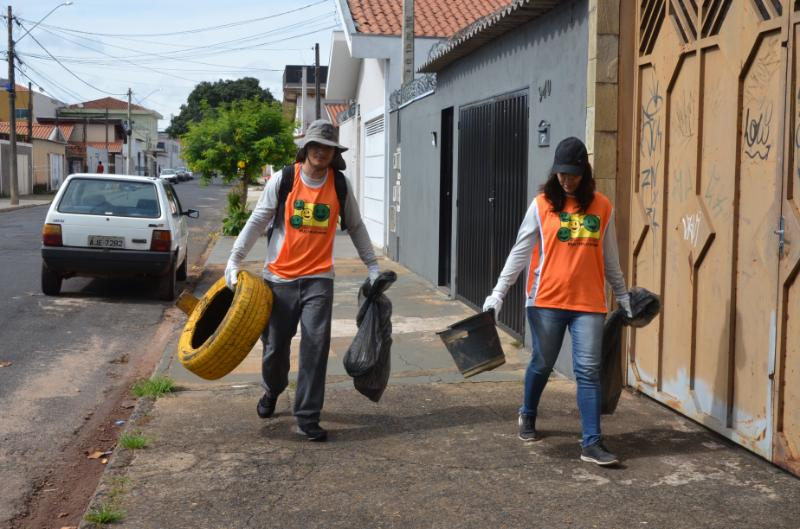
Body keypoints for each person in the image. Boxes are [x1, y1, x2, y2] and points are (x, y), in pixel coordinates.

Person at [224, 119, 379, 442]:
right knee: (275, 347)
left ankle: (308, 415)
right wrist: (234, 260)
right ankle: (272, 390)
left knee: (315, 347)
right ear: (306, 149)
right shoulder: (284, 180)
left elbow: (357, 226)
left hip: (318, 279)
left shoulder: (339, 185)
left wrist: (373, 266)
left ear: (334, 153)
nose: (321, 152)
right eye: (316, 146)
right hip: (278, 278)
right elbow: (257, 221)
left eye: (327, 147)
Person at [482, 136, 632, 466]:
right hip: (546, 301)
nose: (566, 180)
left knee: (588, 371)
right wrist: (498, 294)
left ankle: (592, 442)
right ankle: (528, 412)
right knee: (542, 363)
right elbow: (519, 253)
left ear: (585, 173)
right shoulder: (541, 205)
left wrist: (622, 295)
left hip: (589, 304)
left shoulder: (602, 206)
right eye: (561, 174)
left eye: (573, 174)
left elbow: (611, 260)